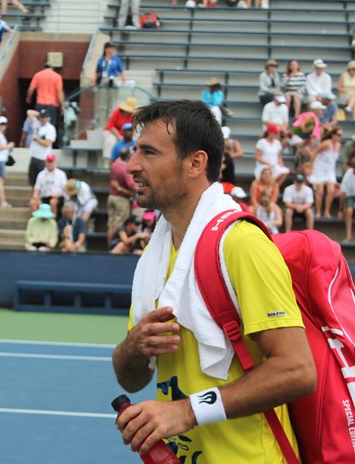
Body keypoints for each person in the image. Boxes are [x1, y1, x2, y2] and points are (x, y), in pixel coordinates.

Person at [112, 100, 315, 462]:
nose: (132, 166)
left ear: (195, 163)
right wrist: (135, 345)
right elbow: (130, 380)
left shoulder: (241, 244)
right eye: (133, 151)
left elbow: (297, 370)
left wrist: (187, 411)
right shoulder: (154, 258)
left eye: (149, 152)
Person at [26, 62, 64, 146]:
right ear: (52, 68)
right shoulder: (57, 76)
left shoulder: (38, 75)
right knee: (51, 125)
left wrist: (28, 97)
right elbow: (59, 91)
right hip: (52, 105)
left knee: (38, 123)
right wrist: (62, 105)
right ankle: (49, 143)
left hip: (40, 103)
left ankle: (39, 141)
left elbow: (31, 88)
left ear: (44, 67)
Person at [308, 126, 342, 218]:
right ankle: (318, 212)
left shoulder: (339, 146)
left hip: (330, 171)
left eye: (341, 135)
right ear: (333, 135)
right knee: (320, 192)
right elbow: (314, 153)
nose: (340, 137)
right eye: (338, 135)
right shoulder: (326, 144)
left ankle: (327, 211)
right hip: (319, 169)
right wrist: (311, 167)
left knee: (331, 191)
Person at [108, 146, 137, 246]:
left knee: (111, 225)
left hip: (111, 198)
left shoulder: (114, 165)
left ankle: (109, 248)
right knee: (118, 225)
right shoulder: (125, 169)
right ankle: (114, 247)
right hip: (121, 200)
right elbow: (133, 186)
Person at [94, 41, 127, 126]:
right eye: (110, 48)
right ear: (106, 49)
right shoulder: (101, 60)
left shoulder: (116, 59)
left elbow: (121, 70)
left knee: (112, 104)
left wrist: (124, 79)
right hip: (104, 80)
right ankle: (102, 124)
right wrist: (93, 82)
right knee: (103, 105)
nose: (111, 49)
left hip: (113, 79)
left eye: (112, 48)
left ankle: (110, 123)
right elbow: (97, 71)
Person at [26, 108, 57, 186]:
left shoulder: (50, 128)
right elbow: (29, 112)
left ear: (48, 118)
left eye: (44, 117)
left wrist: (37, 139)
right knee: (32, 182)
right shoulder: (37, 123)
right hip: (34, 156)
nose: (42, 119)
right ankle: (34, 198)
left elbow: (47, 143)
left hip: (43, 158)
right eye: (41, 117)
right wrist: (39, 114)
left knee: (42, 182)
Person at [103, 96, 137, 166]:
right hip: (112, 131)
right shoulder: (117, 112)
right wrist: (118, 136)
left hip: (125, 133)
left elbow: (133, 127)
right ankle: (108, 162)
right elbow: (110, 125)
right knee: (110, 141)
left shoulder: (132, 115)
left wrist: (133, 134)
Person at [340, 150, 355, 242]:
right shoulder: (348, 174)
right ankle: (348, 236)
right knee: (349, 211)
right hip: (351, 196)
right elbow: (343, 193)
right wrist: (341, 210)